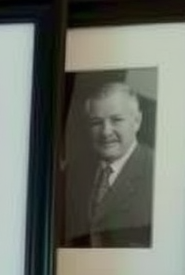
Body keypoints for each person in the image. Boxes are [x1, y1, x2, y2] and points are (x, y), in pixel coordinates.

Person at [63, 79, 154, 249]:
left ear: (137, 121)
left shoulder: (157, 172)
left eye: (116, 120)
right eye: (96, 122)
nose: (105, 132)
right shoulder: (74, 171)